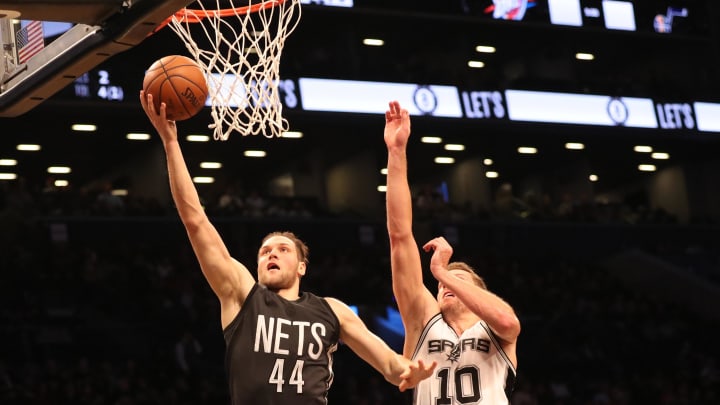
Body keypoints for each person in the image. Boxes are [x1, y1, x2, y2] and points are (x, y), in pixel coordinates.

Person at [138, 92, 435, 405]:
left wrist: (409, 370)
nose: (271, 254)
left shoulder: (331, 310)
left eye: (282, 249)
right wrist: (170, 142)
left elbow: (390, 365)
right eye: (265, 252)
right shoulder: (242, 295)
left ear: (302, 266)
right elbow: (195, 220)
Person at [383, 100, 521, 404]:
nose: (445, 285)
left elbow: (507, 320)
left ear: (479, 294)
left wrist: (444, 271)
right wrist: (396, 153)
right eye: (442, 285)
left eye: (460, 281)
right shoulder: (423, 321)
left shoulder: (495, 330)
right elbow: (399, 236)